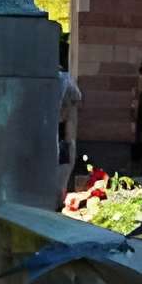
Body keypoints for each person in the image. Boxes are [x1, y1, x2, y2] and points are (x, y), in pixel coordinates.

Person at [57, 65, 82, 206]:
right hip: (62, 134)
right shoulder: (64, 80)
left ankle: (60, 198)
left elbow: (76, 97)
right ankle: (59, 198)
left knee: (63, 168)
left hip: (64, 135)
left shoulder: (63, 81)